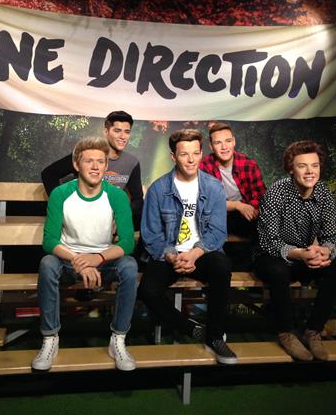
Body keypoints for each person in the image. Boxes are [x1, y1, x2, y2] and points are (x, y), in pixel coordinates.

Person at [32, 137, 138, 372]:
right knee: (48, 263)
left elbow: (128, 242)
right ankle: (50, 339)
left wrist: (97, 259)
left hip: (104, 262)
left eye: (100, 161)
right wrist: (80, 261)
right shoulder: (60, 194)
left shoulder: (117, 196)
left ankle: (118, 340)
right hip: (69, 261)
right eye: (89, 161)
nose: (95, 166)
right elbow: (50, 242)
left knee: (129, 266)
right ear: (76, 164)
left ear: (106, 166)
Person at [138, 129, 238, 364]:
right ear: (173, 156)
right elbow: (151, 234)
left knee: (222, 266)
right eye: (184, 154)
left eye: (195, 153)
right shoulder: (158, 189)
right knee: (148, 291)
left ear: (201, 153)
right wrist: (172, 256)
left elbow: (217, 231)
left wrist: (194, 254)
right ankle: (192, 329)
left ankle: (215, 337)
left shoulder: (213, 187)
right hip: (168, 254)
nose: (191, 160)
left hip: (202, 253)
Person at [254, 140, 336, 361]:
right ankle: (286, 333)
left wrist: (325, 252)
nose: (310, 171)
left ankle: (313, 330)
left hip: (304, 257)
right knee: (278, 270)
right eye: (302, 166)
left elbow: (330, 237)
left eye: (314, 166)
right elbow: (269, 241)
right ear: (291, 169)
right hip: (271, 257)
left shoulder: (324, 193)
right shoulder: (276, 192)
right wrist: (300, 254)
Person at [41, 110, 144, 229]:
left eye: (127, 132)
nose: (123, 136)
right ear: (106, 132)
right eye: (117, 131)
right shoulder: (87, 155)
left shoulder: (132, 162)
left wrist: (121, 216)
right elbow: (49, 174)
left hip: (110, 222)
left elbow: (138, 200)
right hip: (82, 221)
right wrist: (64, 208)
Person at [199, 122, 266, 270]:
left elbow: (260, 196)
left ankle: (258, 264)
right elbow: (206, 202)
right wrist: (237, 205)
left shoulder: (248, 164)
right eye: (218, 143)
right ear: (211, 146)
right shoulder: (204, 166)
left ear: (234, 142)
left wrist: (252, 209)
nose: (224, 147)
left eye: (228, 141)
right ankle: (217, 265)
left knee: (263, 221)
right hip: (217, 216)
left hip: (243, 216)